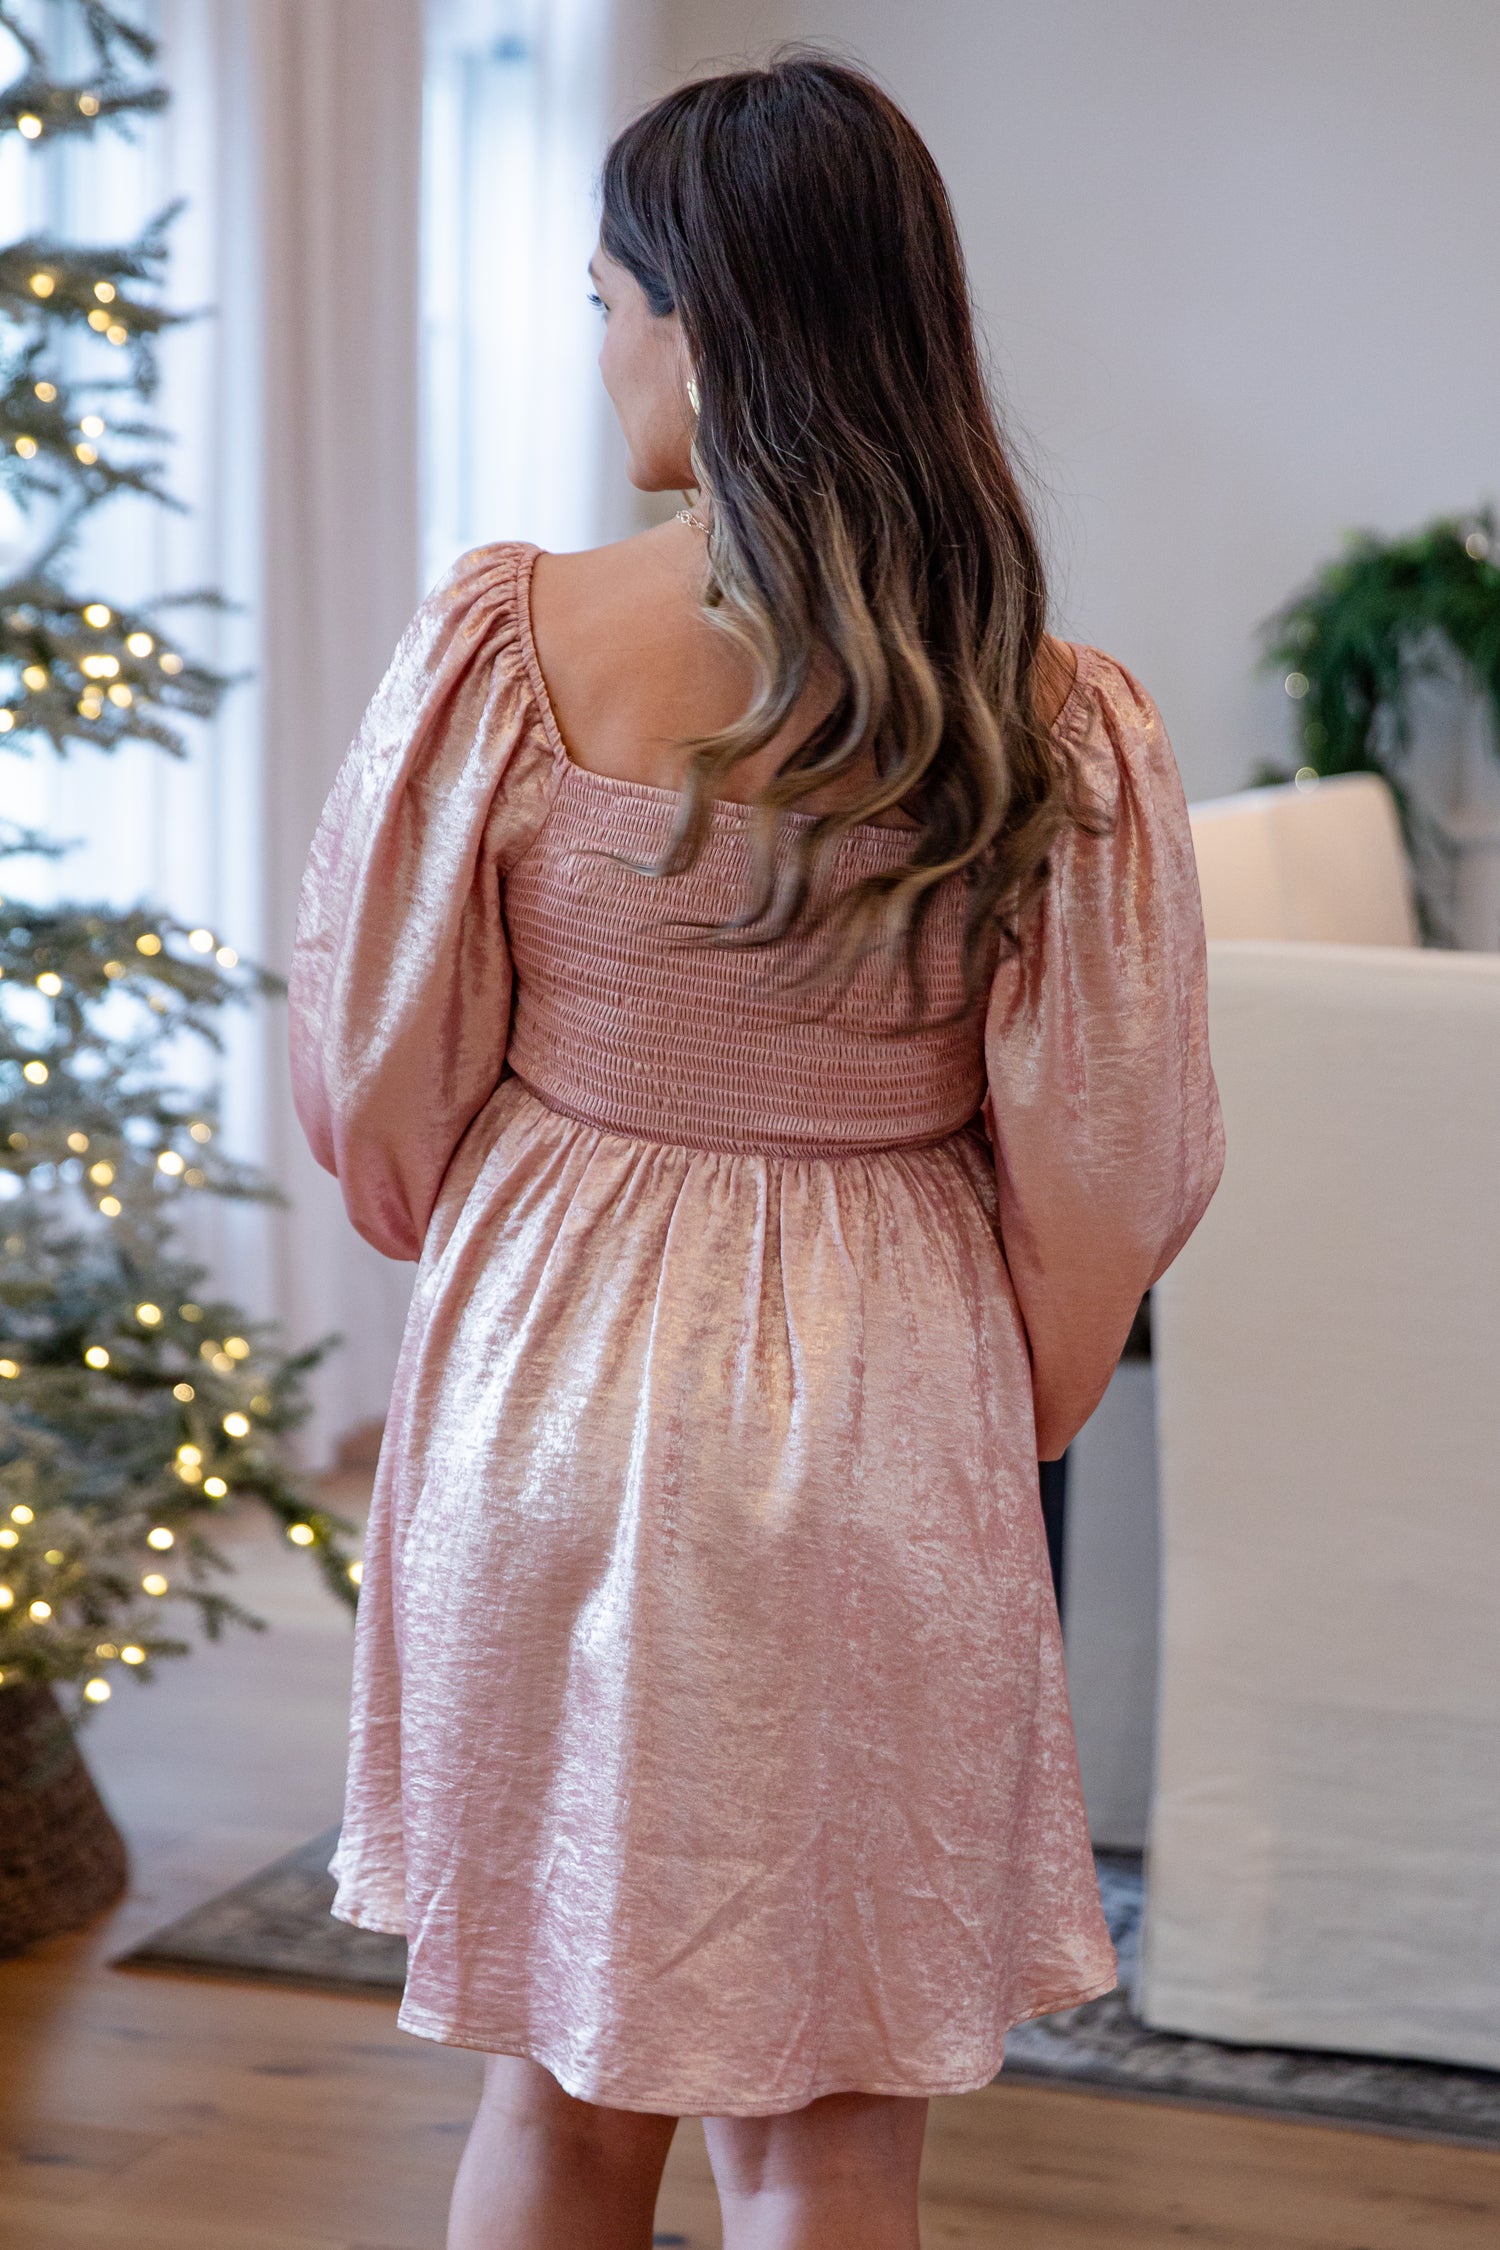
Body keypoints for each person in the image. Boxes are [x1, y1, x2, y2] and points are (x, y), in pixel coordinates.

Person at [289, 52, 1223, 2250]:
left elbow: (384, 1056)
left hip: (554, 1377)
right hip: (883, 1401)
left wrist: (469, 1214)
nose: (598, 339)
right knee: (830, 2130)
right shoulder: (1052, 711)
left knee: (559, 2094)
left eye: (610, 293)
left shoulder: (510, 641)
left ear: (701, 327)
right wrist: (1027, 1392)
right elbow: (1108, 1150)